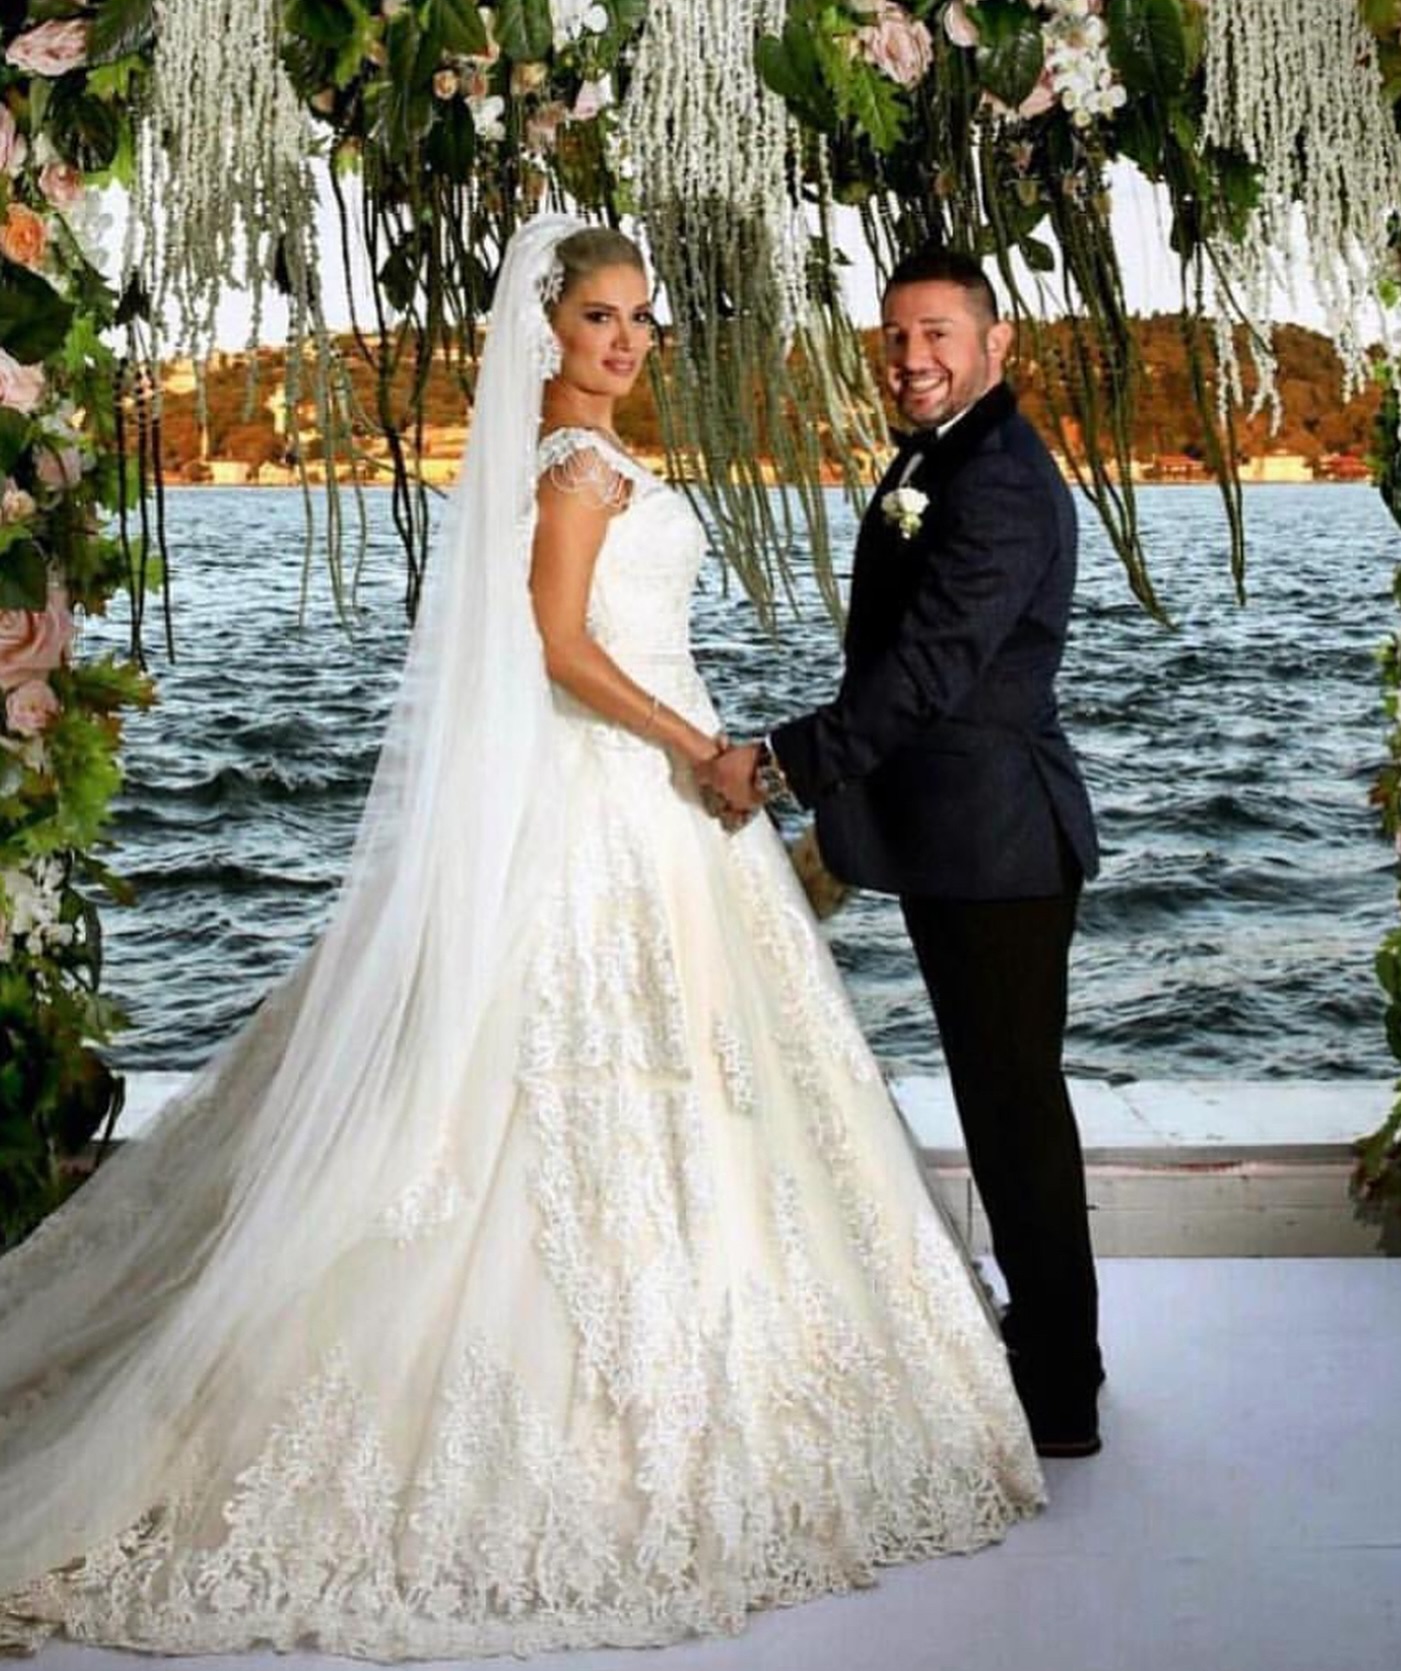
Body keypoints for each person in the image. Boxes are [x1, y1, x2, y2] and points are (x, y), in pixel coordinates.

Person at [0, 218, 1043, 1660]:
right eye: (599, 315)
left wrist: (719, 755)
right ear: (545, 328)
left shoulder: (590, 459)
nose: (626, 341)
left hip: (659, 801)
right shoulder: (572, 468)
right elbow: (559, 644)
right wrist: (697, 744)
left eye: (640, 317)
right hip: (623, 784)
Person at [703, 245, 1104, 1458]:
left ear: (996, 342)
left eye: (938, 334)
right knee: (999, 1102)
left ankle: (1060, 1391)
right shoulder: (946, 456)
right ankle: (1053, 1357)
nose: (913, 357)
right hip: (950, 836)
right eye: (896, 336)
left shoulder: (1002, 479)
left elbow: (930, 670)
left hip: (1000, 841)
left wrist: (780, 762)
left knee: (1015, 1111)